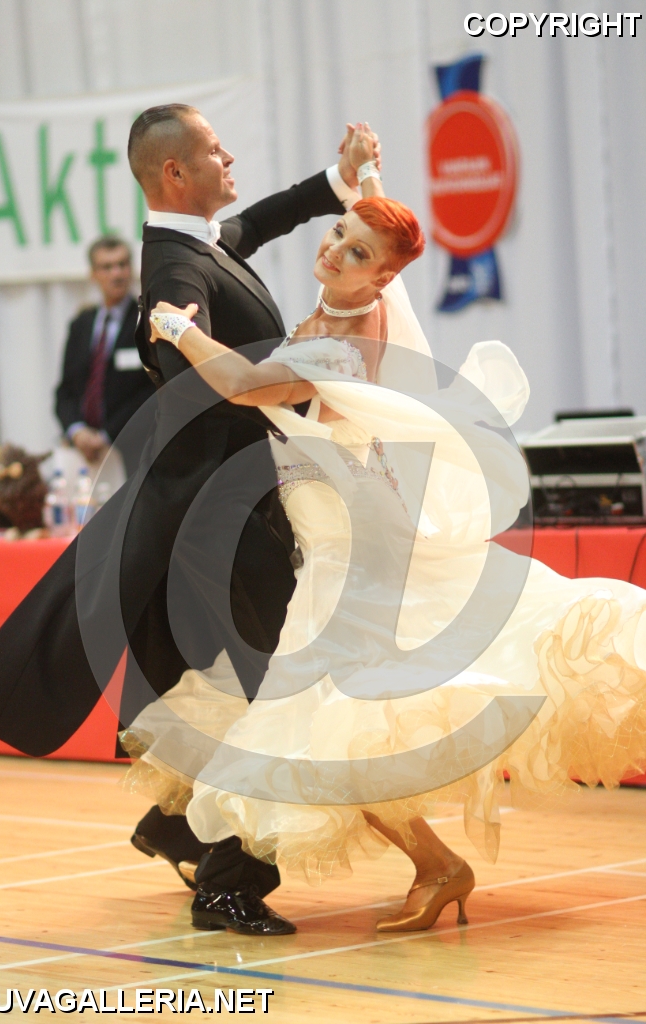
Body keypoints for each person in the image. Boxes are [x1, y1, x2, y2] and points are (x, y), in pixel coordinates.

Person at [135, 131, 646, 935]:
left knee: (328, 720)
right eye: (338, 232)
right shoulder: (342, 305)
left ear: (382, 277)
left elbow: (241, 384)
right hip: (333, 535)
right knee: (335, 725)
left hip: (352, 549)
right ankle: (433, 866)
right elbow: (373, 230)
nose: (334, 248)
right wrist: (364, 177)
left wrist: (176, 327)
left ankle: (415, 866)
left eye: (355, 250)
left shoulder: (341, 341)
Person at [0, 107, 378, 937]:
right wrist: (191, 343)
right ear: (174, 174)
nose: (230, 156)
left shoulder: (201, 244)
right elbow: (184, 360)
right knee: (276, 692)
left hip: (234, 509)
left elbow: (263, 220)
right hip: (222, 521)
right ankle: (227, 885)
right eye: (215, 150)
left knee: (235, 685)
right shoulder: (174, 272)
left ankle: (180, 827)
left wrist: (339, 181)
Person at [55, 237, 154, 476]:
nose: (116, 274)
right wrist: (77, 431)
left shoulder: (147, 321)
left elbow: (151, 392)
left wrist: (107, 435)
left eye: (122, 264)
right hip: (83, 453)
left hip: (133, 451)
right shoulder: (82, 324)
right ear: (93, 274)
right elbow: (66, 391)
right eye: (107, 267)